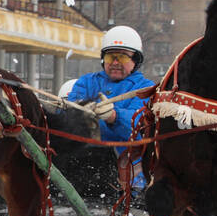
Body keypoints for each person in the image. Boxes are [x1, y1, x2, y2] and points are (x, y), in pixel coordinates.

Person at [65, 25, 154, 190]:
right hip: (79, 165)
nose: (115, 63)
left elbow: (140, 127)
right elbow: (67, 118)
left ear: (136, 60)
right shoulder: (86, 82)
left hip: (127, 171)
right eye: (110, 57)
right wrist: (79, 112)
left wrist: (114, 117)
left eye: (122, 57)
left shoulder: (146, 89)